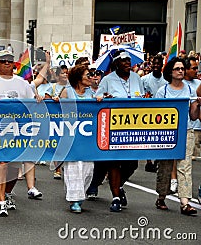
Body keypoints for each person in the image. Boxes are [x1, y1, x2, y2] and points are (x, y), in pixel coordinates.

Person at [0, 50, 41, 217]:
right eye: (3, 61)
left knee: (14, 168)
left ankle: (7, 194)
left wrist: (39, 98)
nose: (7, 63)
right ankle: (0, 203)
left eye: (10, 61)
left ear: (14, 64)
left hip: (18, 131)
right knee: (1, 164)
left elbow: (32, 102)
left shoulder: (22, 82)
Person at [95, 50, 144, 212]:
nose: (127, 63)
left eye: (129, 60)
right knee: (114, 161)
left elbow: (142, 98)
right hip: (114, 127)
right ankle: (115, 196)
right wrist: (104, 98)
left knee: (132, 164)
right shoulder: (107, 80)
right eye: (123, 61)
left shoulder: (137, 78)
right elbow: (98, 98)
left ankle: (118, 185)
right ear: (116, 63)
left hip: (134, 128)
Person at [155, 57, 200, 215]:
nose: (181, 71)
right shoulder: (163, 91)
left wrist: (196, 105)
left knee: (185, 166)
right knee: (166, 165)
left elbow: (193, 116)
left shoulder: (190, 90)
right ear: (170, 72)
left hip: (186, 130)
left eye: (182, 68)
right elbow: (156, 116)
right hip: (167, 133)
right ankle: (161, 196)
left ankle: (185, 202)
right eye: (177, 68)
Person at [59, 65, 94, 213]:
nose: (91, 77)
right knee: (74, 167)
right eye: (88, 75)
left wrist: (100, 100)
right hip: (71, 136)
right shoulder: (67, 92)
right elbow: (58, 112)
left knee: (88, 169)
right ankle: (75, 200)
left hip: (87, 137)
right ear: (79, 78)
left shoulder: (91, 93)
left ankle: (80, 194)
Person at [141, 55, 167, 173]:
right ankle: (149, 161)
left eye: (158, 63)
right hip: (147, 112)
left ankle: (157, 158)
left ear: (162, 65)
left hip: (162, 112)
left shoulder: (166, 80)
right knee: (147, 137)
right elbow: (140, 95)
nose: (156, 66)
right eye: (154, 63)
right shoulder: (144, 79)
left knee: (159, 136)